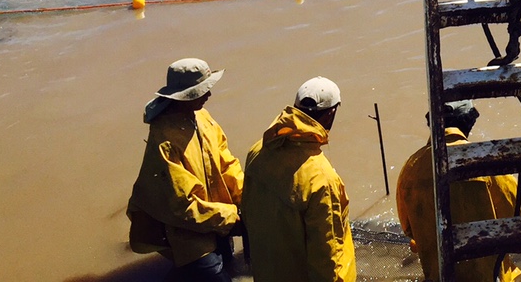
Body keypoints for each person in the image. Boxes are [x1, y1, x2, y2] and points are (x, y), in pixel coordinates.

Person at [127, 58, 244, 281]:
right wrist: (231, 218)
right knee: (212, 272)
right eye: (202, 91)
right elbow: (182, 207)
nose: (208, 95)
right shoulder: (165, 138)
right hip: (186, 232)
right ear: (184, 95)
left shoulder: (203, 117)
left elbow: (228, 164)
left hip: (215, 217)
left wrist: (245, 199)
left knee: (227, 261)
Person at [243, 77, 356, 282]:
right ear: (331, 114)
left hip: (265, 271)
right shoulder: (322, 178)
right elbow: (326, 255)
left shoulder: (258, 149)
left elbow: (249, 208)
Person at [395, 101, 521, 282]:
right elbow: (515, 221)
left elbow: (408, 228)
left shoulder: (412, 168)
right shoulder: (489, 162)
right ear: (468, 123)